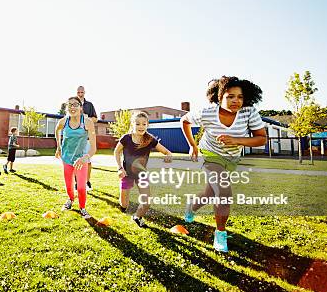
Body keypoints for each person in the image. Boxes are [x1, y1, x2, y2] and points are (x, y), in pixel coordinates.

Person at [181, 76, 267, 252]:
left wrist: (236, 140)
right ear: (219, 96)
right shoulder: (207, 112)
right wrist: (193, 145)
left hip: (231, 159)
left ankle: (191, 206)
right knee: (223, 192)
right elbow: (185, 121)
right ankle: (220, 235)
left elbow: (261, 139)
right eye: (230, 96)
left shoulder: (249, 113)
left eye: (240, 97)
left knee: (210, 192)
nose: (236, 100)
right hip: (210, 155)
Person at [114, 111, 174, 227]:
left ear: (147, 125)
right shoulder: (126, 138)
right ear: (132, 124)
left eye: (144, 124)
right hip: (126, 174)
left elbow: (167, 152)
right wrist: (119, 168)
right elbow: (116, 152)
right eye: (137, 124)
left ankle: (137, 216)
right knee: (124, 204)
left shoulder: (150, 139)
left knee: (146, 202)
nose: (141, 126)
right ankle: (123, 205)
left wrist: (168, 156)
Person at [55, 96, 97, 219]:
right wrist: (58, 147)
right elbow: (57, 131)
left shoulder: (87, 122)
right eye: (70, 105)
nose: (72, 107)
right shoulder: (63, 121)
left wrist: (86, 157)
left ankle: (82, 208)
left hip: (81, 159)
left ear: (80, 107)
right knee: (68, 184)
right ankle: (70, 199)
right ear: (67, 108)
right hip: (66, 158)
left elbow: (93, 148)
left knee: (81, 186)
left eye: (75, 104)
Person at [76, 86, 98, 191]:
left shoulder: (89, 105)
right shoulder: (73, 104)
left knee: (87, 160)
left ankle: (87, 181)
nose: (80, 94)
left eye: (82, 92)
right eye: (78, 92)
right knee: (75, 160)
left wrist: (86, 119)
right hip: (75, 137)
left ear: (84, 92)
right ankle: (77, 182)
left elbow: (95, 118)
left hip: (87, 137)